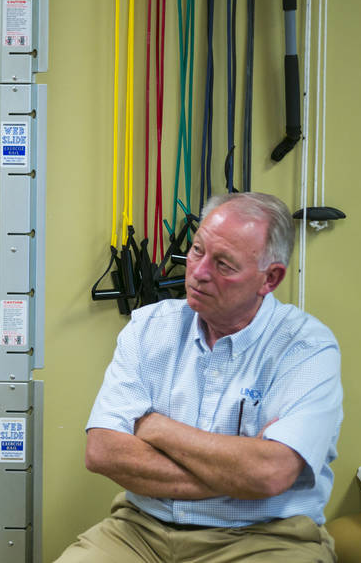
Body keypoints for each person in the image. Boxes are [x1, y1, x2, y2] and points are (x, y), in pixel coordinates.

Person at [54, 192, 343, 563]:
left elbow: (270, 473)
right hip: (140, 531)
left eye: (224, 265)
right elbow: (103, 452)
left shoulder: (306, 347)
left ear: (269, 279)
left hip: (264, 538)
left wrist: (156, 428)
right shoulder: (148, 328)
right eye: (196, 251)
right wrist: (237, 473)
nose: (199, 272)